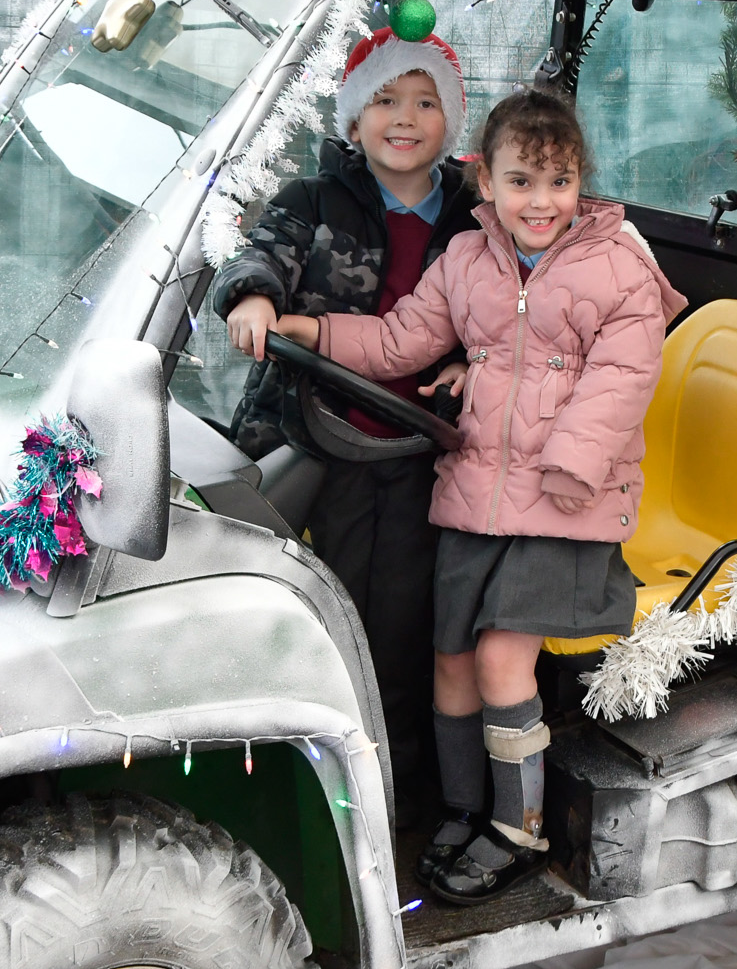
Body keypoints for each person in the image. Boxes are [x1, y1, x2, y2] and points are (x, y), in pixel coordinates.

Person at [276, 87, 688, 904]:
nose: (542, 202)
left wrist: (571, 464)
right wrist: (315, 332)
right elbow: (403, 338)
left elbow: (622, 378)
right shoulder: (467, 260)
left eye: (559, 182)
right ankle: (464, 806)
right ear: (488, 183)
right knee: (453, 656)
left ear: (580, 182)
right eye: (522, 182)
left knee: (502, 658)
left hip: (569, 505)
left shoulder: (619, 267)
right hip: (475, 495)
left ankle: (520, 825)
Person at [211, 16, 480, 826]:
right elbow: (261, 253)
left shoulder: (476, 218)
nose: (405, 118)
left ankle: (387, 794)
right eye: (385, 100)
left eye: (425, 101)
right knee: (304, 607)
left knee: (397, 619)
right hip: (313, 436)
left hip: (416, 446)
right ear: (355, 118)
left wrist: (478, 364)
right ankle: (277, 776)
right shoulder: (313, 199)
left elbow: (515, 304)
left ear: (450, 121)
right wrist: (254, 297)